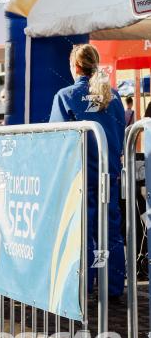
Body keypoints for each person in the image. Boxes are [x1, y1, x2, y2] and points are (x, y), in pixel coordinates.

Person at [49, 43, 125, 298]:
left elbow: (56, 142)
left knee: (82, 237)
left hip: (80, 179)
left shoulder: (65, 96)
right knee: (110, 236)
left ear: (76, 67)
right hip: (109, 177)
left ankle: (83, 288)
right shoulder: (112, 98)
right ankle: (111, 287)